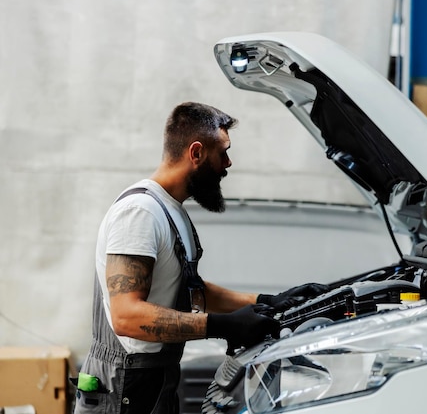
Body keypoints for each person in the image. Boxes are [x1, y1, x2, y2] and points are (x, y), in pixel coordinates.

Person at [74, 102, 329, 414]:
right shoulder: (139, 213)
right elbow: (128, 316)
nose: (228, 163)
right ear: (195, 153)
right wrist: (223, 326)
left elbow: (193, 291)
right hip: (124, 384)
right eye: (222, 152)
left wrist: (268, 300)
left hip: (155, 377)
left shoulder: (171, 210)